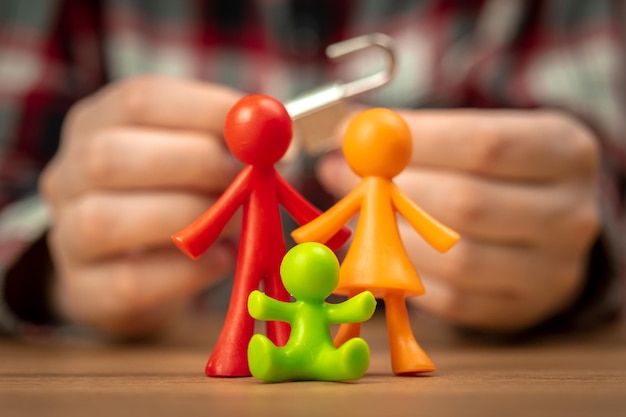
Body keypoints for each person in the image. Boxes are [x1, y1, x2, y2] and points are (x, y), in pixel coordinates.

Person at [0, 0, 623, 340]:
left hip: (399, 288)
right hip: (246, 273)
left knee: (364, 306)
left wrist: (578, 247)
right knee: (261, 294)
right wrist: (43, 257)